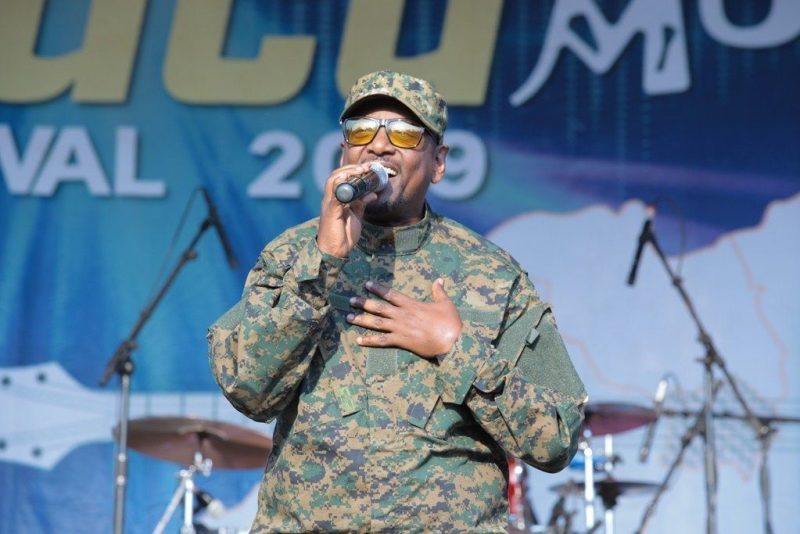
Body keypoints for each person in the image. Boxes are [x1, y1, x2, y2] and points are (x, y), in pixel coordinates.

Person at [208, 70, 587, 533]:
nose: (379, 147)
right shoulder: (292, 256)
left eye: (404, 134)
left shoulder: (491, 273)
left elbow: (556, 439)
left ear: (438, 162)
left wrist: (456, 348)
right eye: (362, 131)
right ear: (344, 152)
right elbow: (249, 389)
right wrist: (322, 263)